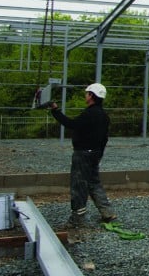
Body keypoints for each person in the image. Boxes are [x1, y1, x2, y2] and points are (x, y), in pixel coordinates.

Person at [49, 82, 117, 226]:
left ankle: (77, 218)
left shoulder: (89, 114)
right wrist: (99, 154)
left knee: (78, 185)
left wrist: (55, 111)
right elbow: (105, 138)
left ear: (91, 96)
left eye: (87, 93)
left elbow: (71, 124)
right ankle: (107, 213)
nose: (85, 96)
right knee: (94, 183)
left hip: (83, 154)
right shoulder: (104, 116)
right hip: (95, 154)